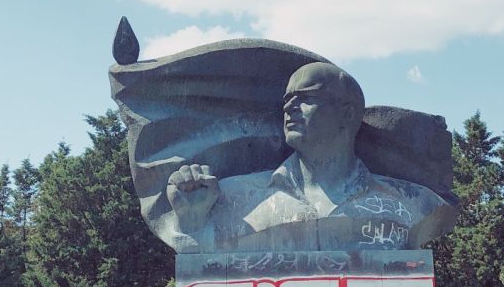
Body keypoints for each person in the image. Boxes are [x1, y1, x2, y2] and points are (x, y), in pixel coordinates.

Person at [164, 62, 456, 253]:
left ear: (348, 113)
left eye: (306, 98)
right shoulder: (229, 199)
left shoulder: (414, 204)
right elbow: (204, 286)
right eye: (287, 100)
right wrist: (192, 223)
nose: (290, 108)